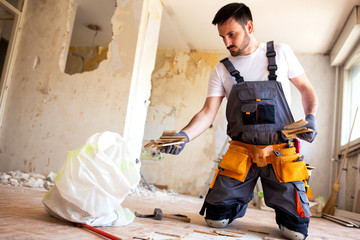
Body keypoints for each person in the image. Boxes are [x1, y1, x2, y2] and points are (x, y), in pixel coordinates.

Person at [161, 3, 318, 240]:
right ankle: (239, 196)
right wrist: (184, 136)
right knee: (216, 219)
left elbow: (306, 89)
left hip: (280, 152)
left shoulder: (280, 52)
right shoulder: (222, 70)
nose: (226, 42)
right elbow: (207, 113)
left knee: (296, 232)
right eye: (222, 36)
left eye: (231, 34)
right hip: (242, 153)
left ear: (249, 26)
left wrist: (311, 118)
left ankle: (283, 206)